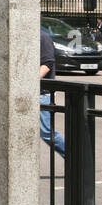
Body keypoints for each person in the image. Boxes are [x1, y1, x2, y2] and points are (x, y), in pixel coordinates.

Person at [39, 27, 65, 158]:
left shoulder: (43, 37)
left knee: (47, 133)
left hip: (41, 94)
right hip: (29, 93)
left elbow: (47, 63)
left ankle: (75, 159)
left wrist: (29, 82)